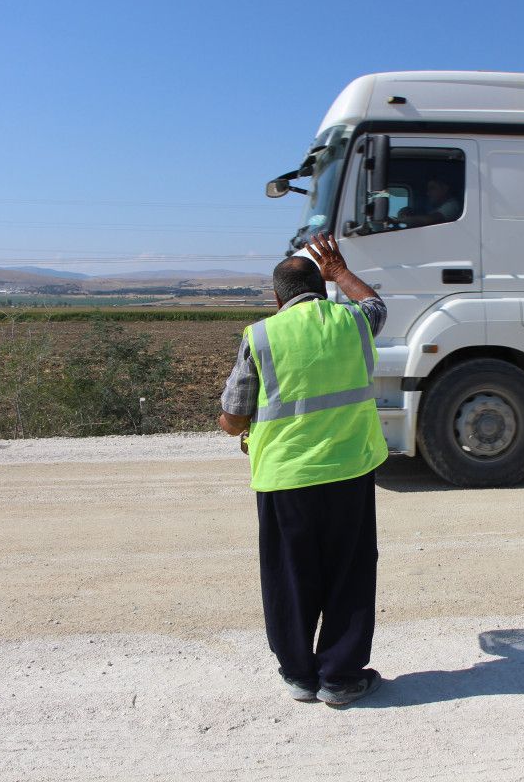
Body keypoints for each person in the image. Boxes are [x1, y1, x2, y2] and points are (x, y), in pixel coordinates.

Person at [218, 231, 388, 707]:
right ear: (322, 287)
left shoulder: (262, 336)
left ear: (277, 298)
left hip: (285, 480)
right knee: (349, 573)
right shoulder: (351, 323)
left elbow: (234, 417)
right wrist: (341, 272)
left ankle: (298, 674)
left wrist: (235, 425)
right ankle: (339, 677)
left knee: (290, 576)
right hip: (349, 472)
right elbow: (376, 305)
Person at [396, 175, 461, 227]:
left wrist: (402, 220)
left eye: (432, 188)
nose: (428, 193)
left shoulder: (452, 205)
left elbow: (429, 220)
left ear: (445, 189)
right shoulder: (436, 207)